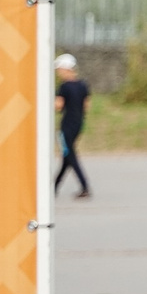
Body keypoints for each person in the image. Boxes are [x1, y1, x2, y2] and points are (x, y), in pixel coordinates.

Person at [53, 54, 90, 199]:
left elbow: (58, 106)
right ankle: (54, 186)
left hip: (66, 126)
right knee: (67, 155)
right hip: (78, 124)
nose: (58, 73)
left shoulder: (64, 87)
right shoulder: (83, 85)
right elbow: (87, 105)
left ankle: (84, 185)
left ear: (66, 69)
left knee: (70, 155)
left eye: (59, 69)